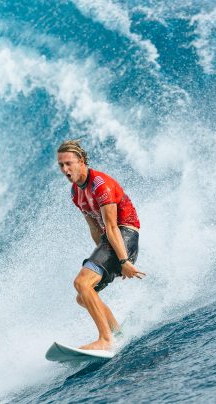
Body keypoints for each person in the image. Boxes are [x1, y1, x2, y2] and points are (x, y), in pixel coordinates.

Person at [57, 140, 146, 350]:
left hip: (125, 235)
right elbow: (95, 229)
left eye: (69, 163)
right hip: (111, 241)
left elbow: (112, 227)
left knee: (81, 283)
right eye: (61, 165)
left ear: (81, 161)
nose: (65, 169)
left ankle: (106, 339)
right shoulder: (75, 193)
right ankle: (116, 332)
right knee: (84, 297)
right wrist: (105, 258)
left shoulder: (100, 184)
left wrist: (122, 260)